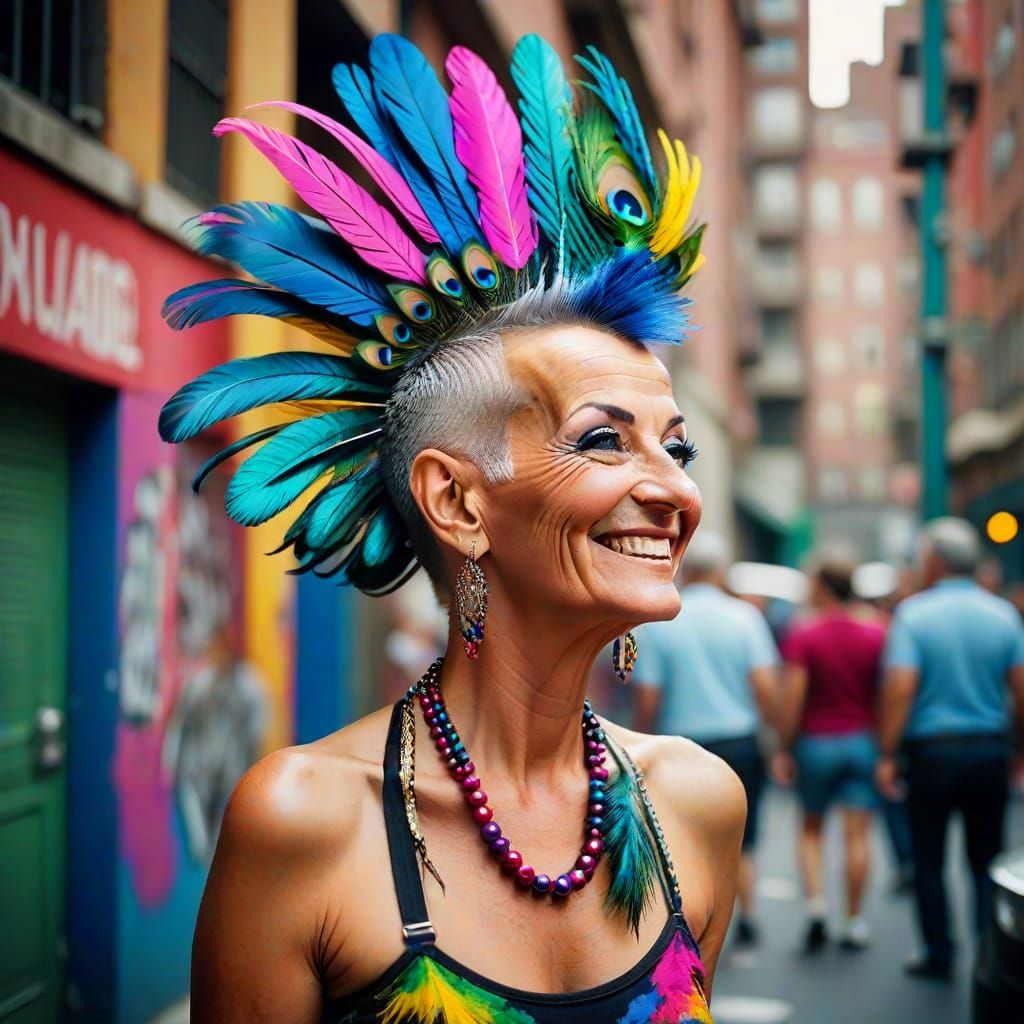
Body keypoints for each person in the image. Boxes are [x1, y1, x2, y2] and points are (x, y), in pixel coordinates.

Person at [157, 33, 743, 1023]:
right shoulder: (304, 821)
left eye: (675, 447)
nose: (674, 490)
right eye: (605, 440)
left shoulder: (695, 800)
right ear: (459, 504)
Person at [878, 518, 1024, 981]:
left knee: (929, 859)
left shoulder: (913, 615)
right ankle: (988, 950)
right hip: (988, 750)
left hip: (931, 753)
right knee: (986, 858)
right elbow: (1021, 689)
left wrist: (887, 753)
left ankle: (938, 952)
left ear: (936, 561)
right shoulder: (1003, 615)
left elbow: (900, 688)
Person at [633, 530, 778, 948]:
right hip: (739, 742)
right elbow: (765, 686)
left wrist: (639, 740)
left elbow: (648, 696)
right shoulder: (745, 617)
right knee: (742, 838)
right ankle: (745, 913)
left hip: (680, 747)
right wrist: (777, 739)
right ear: (719, 570)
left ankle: (688, 920)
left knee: (679, 837)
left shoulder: (662, 621)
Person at [775, 557, 885, 953]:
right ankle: (854, 921)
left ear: (823, 587)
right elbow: (885, 691)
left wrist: (783, 746)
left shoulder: (805, 633)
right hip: (862, 740)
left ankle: (817, 906)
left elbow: (793, 696)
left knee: (811, 829)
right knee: (858, 835)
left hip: (816, 743)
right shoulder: (877, 632)